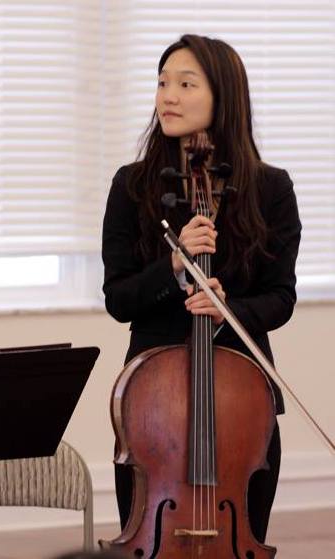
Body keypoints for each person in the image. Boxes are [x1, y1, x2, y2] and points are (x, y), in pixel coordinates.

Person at [102, 34, 301, 545]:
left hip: (242, 408)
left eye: (185, 84)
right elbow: (118, 298)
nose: (167, 95)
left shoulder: (270, 189)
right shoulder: (131, 186)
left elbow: (280, 298)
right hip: (151, 412)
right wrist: (173, 265)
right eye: (162, 82)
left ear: (222, 96)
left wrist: (225, 309)